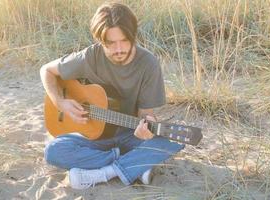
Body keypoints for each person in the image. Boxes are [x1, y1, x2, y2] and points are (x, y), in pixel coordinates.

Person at [40, 2, 184, 189]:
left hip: (129, 134)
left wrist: (146, 127)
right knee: (53, 151)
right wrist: (60, 102)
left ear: (133, 36)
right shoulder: (89, 57)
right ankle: (132, 165)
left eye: (124, 40)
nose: (118, 49)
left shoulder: (148, 64)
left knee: (168, 142)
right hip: (91, 138)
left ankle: (102, 173)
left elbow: (145, 114)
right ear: (100, 41)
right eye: (110, 43)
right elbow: (46, 71)